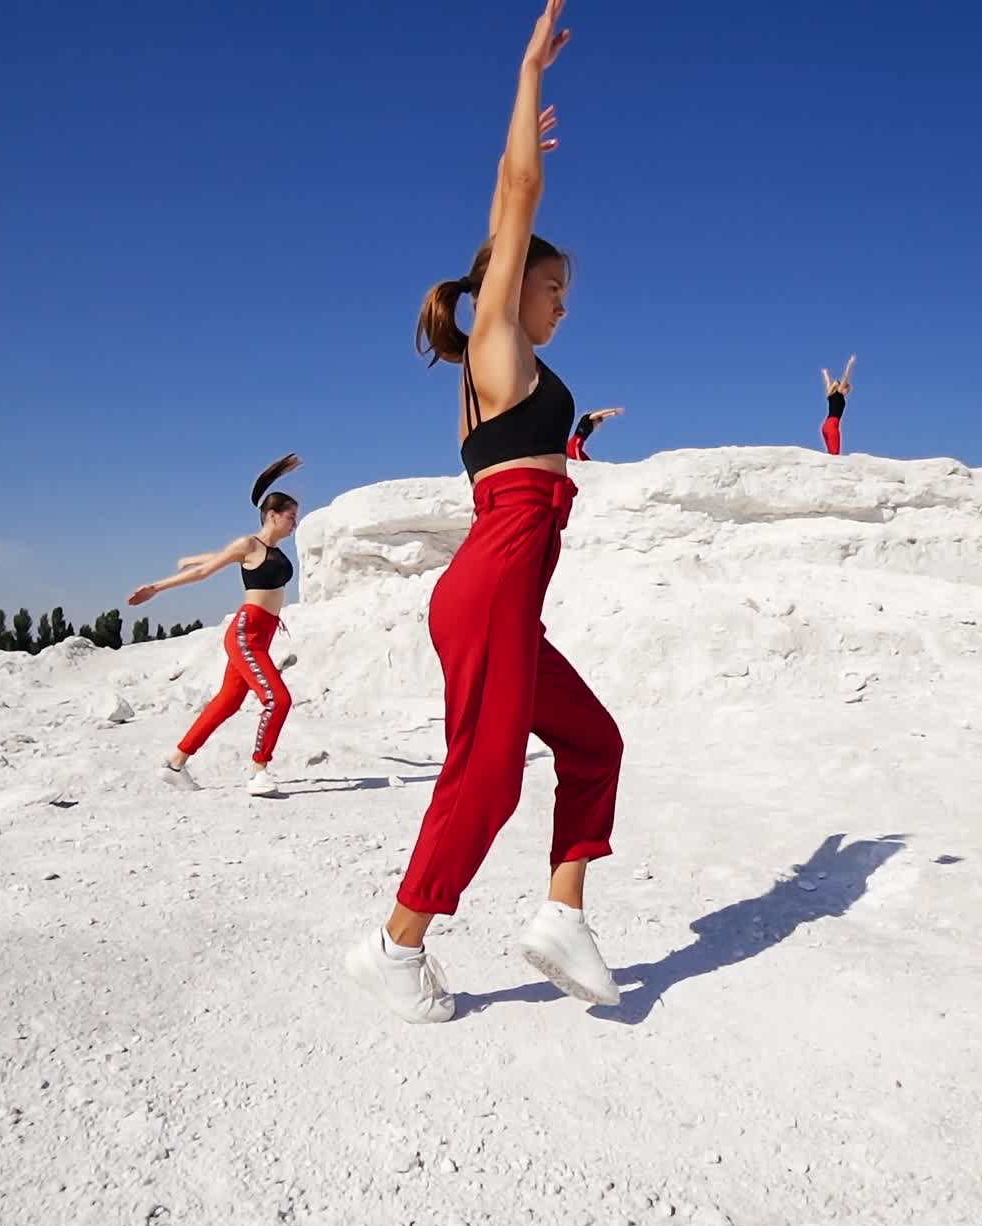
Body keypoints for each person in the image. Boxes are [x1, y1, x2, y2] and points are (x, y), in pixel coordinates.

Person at [346, 0, 624, 1024]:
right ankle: (394, 943)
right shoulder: (496, 347)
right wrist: (526, 80)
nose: (561, 301)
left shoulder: (522, 373)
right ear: (511, 288)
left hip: (504, 587)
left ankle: (562, 913)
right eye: (553, 284)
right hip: (495, 574)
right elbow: (516, 191)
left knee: (594, 742)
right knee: (491, 774)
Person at [127, 454, 301, 796]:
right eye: (291, 517)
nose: (295, 523)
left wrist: (194, 557)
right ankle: (258, 770)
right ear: (271, 515)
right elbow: (208, 572)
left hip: (263, 634)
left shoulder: (270, 550)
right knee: (278, 699)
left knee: (227, 702)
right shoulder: (248, 543)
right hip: (247, 632)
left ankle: (175, 764)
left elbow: (219, 559)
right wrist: (157, 587)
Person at [820, 355, 856, 455]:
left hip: (825, 426)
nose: (847, 392)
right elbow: (846, 376)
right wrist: (850, 363)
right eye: (847, 390)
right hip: (832, 425)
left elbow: (828, 383)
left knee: (831, 454)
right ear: (842, 387)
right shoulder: (839, 393)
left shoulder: (830, 394)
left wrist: (825, 374)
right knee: (835, 456)